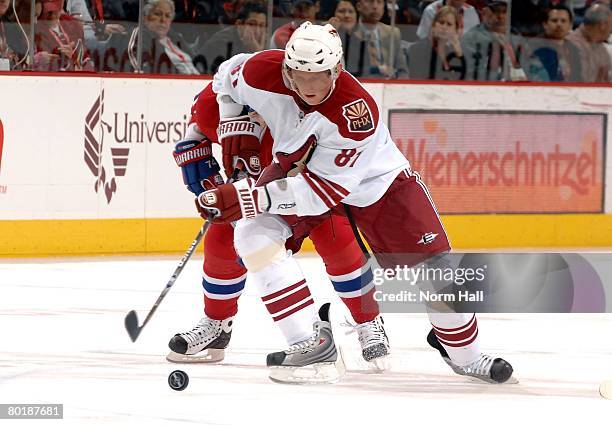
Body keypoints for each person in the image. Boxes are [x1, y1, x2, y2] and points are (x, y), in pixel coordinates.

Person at [197, 21, 514, 384]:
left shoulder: (355, 113)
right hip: (294, 169)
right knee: (253, 236)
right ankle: (309, 344)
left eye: (321, 75)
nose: (311, 85)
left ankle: (465, 355)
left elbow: (320, 195)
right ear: (286, 68)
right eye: (300, 74)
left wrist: (247, 196)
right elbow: (224, 79)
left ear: (338, 69)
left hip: (376, 183)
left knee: (437, 272)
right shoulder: (258, 72)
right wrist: (237, 127)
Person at [166, 82, 391, 372]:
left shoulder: (302, 99)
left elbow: (325, 169)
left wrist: (253, 194)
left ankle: (368, 321)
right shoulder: (212, 100)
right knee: (223, 240)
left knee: (339, 246)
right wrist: (213, 189)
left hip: (310, 187)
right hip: (255, 190)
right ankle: (217, 324)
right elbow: (192, 144)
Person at [461, 0, 527, 81]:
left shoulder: (516, 35)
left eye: (504, 12)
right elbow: (473, 72)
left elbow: (530, 64)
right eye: (496, 11)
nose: (500, 16)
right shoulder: (472, 38)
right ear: (485, 13)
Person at [128, 0, 199, 74]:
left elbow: (197, 60)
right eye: (158, 14)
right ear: (145, 17)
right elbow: (147, 69)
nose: (163, 20)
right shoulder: (141, 38)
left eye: (168, 16)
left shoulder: (176, 38)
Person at [344, 0, 409, 78]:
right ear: (359, 6)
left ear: (383, 8)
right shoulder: (349, 33)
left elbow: (402, 71)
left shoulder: (393, 33)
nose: (375, 6)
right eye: (370, 1)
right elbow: (348, 71)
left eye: (379, 2)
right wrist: (377, 69)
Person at [201, 2, 267, 74]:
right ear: (239, 24)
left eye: (261, 25)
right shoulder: (222, 43)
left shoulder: (264, 40)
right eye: (252, 24)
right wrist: (256, 53)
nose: (257, 31)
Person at [525, 5, 583, 82]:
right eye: (554, 20)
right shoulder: (534, 45)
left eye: (563, 21)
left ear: (570, 26)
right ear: (545, 24)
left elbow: (577, 77)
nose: (559, 24)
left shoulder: (573, 48)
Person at [407, 5, 466, 79]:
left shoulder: (456, 54)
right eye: (441, 22)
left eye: (449, 24)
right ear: (433, 25)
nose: (444, 27)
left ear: (455, 30)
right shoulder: (415, 49)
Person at [34, 0, 94, 71]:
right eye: (48, 12)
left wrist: (74, 59)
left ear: (61, 7)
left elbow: (86, 63)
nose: (52, 15)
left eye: (55, 11)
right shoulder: (35, 28)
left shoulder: (73, 25)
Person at [566, 2, 611, 82]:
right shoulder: (572, 46)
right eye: (611, 26)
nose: (610, 31)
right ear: (602, 25)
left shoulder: (602, 48)